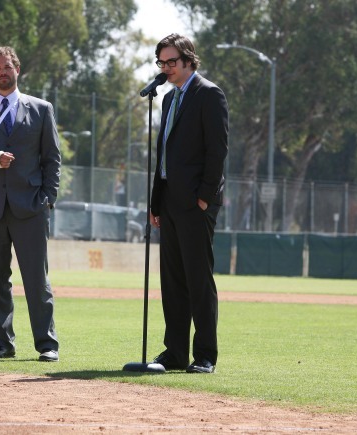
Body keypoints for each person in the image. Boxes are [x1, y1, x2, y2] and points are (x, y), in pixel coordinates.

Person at [0, 46, 61, 362]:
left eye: (7, 67)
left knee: (36, 280)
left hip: (30, 206)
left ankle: (47, 345)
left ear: (17, 69)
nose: (2, 72)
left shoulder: (41, 109)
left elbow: (52, 159)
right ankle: (2, 344)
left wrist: (48, 198)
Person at [149, 34, 229, 373]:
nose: (165, 68)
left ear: (188, 60)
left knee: (198, 279)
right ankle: (175, 353)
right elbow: (163, 154)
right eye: (161, 63)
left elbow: (218, 151)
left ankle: (205, 355)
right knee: (172, 280)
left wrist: (204, 198)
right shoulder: (167, 99)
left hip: (196, 204)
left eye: (171, 62)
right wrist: (156, 202)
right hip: (168, 202)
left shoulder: (209, 94)